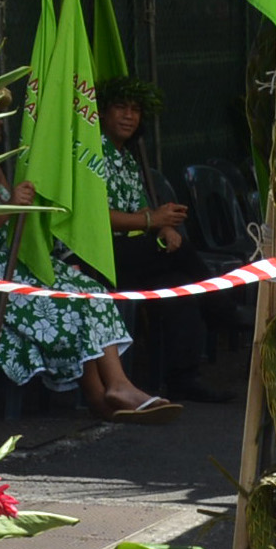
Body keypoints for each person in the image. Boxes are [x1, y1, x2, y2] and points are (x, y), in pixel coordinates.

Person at [0, 84, 174, 421]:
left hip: (13, 260)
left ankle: (116, 386)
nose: (3, 122)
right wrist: (10, 207)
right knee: (69, 302)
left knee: (91, 291)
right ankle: (100, 395)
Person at [94, 79, 215, 403]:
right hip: (98, 255)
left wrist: (163, 227)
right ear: (102, 112)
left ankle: (183, 379)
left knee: (178, 284)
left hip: (133, 252)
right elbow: (93, 216)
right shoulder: (90, 154)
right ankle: (222, 308)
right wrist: (152, 222)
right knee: (180, 253)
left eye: (135, 110)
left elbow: (142, 210)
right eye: (121, 108)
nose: (129, 116)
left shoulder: (127, 159)